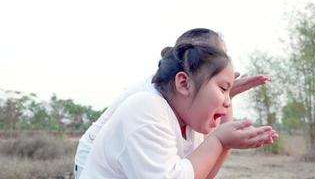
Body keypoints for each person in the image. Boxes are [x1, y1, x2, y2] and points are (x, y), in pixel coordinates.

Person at [73, 28, 271, 178]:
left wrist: (225, 143)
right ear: (184, 82)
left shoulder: (187, 116)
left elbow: (198, 173)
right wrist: (219, 140)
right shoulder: (148, 105)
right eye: (222, 88)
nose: (222, 58)